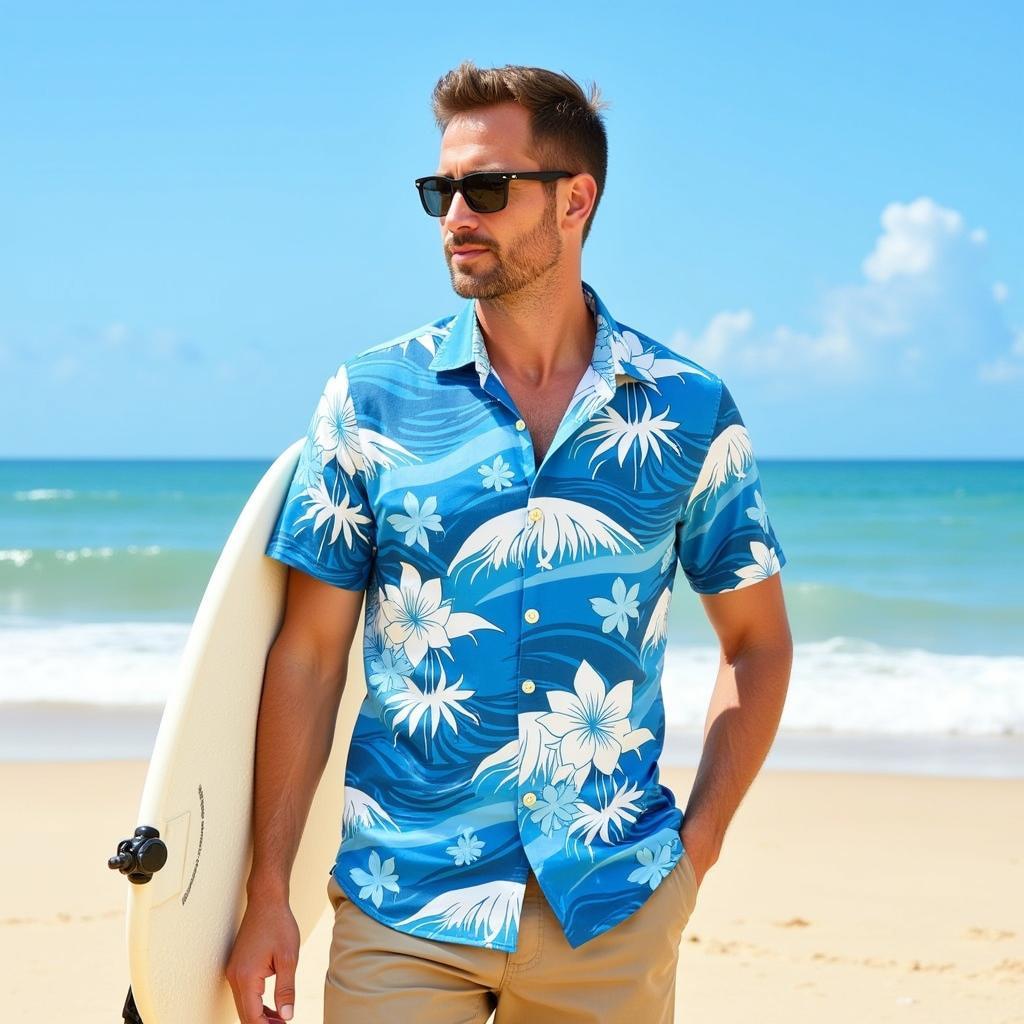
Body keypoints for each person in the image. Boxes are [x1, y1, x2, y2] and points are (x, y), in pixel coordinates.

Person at [226, 60, 793, 1024]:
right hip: (403, 902)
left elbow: (759, 641)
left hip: (612, 907)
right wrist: (265, 890)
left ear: (575, 201)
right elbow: (312, 656)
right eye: (440, 191)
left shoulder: (687, 408)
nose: (456, 214)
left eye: (486, 188)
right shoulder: (370, 400)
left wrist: (695, 853)